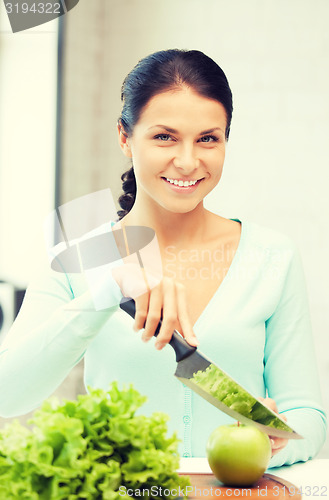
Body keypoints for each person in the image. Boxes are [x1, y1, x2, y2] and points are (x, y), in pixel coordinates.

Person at [0, 49, 326, 467]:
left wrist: (277, 442)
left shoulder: (272, 256)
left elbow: (307, 416)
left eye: (208, 138)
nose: (188, 161)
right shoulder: (77, 258)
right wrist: (109, 289)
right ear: (124, 137)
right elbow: (9, 395)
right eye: (164, 137)